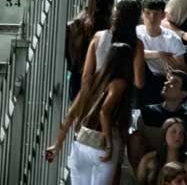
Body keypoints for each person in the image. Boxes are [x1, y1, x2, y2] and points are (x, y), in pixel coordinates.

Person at [46, 41, 134, 185]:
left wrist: (57, 145)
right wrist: (109, 144)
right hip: (102, 146)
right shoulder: (119, 83)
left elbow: (71, 115)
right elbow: (104, 111)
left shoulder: (93, 80)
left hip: (81, 144)